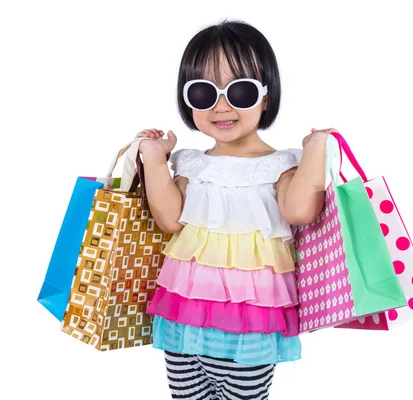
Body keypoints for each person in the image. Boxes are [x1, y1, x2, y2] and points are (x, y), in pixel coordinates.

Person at [137, 19, 338, 400]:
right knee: (186, 395)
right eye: (203, 93)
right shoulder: (191, 163)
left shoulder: (278, 165)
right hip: (184, 320)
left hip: (251, 327)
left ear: (266, 96)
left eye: (241, 91)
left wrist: (314, 149)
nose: (222, 106)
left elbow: (299, 212)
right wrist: (154, 159)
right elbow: (169, 220)